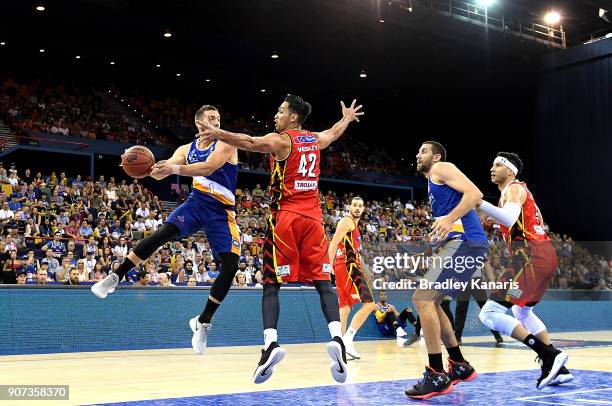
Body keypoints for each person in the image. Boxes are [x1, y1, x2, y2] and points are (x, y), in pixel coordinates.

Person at [200, 95, 364, 384]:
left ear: (293, 118)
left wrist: (218, 133)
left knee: (271, 284)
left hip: (285, 220)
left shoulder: (281, 141)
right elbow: (333, 133)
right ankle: (337, 338)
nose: (276, 115)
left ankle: (270, 344)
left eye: (280, 111)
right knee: (323, 282)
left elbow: (248, 141)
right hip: (314, 219)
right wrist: (347, 119)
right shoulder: (314, 139)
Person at [91, 105, 241, 356]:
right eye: (211, 118)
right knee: (162, 233)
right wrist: (154, 169)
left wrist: (174, 169)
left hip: (222, 211)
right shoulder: (185, 150)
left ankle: (203, 321)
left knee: (231, 267)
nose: (217, 121)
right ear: (199, 123)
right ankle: (114, 278)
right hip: (197, 203)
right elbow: (166, 168)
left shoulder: (226, 143)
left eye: (218, 118)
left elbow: (207, 169)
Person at [476, 152, 571, 389]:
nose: (492, 168)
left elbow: (509, 218)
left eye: (498, 164)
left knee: (489, 314)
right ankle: (557, 370)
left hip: (529, 256)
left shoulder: (514, 188)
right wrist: (495, 221)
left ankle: (549, 354)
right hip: (543, 254)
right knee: (522, 312)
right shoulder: (519, 193)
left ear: (510, 171)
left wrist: (480, 203)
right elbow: (521, 221)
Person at [406, 141, 487, 400]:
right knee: (434, 302)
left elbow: (475, 194)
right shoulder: (433, 183)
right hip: (460, 244)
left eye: (423, 151)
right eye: (418, 152)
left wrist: (450, 219)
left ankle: (436, 374)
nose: (418, 155)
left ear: (436, 155)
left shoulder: (442, 167)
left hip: (465, 242)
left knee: (421, 299)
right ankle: (459, 364)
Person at [329, 196, 386, 359]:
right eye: (354, 205)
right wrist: (327, 265)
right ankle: (347, 339)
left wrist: (366, 271)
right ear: (349, 207)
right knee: (369, 305)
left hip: (345, 266)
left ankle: (339, 344)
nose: (357, 208)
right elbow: (333, 243)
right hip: (348, 267)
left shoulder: (354, 227)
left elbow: (355, 253)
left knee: (345, 306)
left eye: (360, 206)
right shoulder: (347, 221)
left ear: (364, 209)